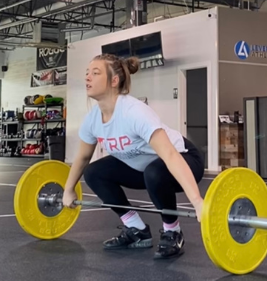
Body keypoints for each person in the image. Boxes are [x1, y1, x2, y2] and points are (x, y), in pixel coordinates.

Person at [62, 54, 205, 259]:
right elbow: (83, 158)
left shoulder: (133, 112)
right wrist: (68, 190)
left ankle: (173, 232)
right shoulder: (93, 119)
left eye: (95, 73)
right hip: (143, 167)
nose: (87, 78)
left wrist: (197, 201)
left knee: (154, 171)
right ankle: (136, 230)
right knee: (94, 172)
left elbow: (170, 155)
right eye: (87, 74)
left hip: (185, 158)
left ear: (114, 81)